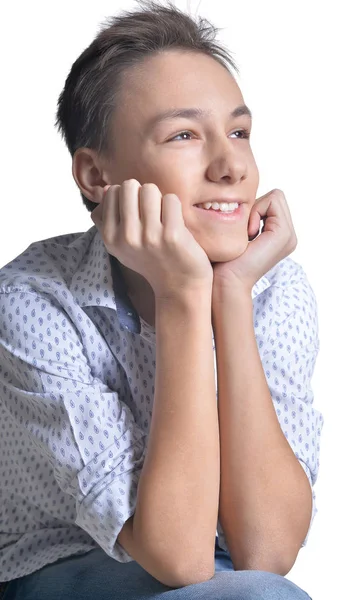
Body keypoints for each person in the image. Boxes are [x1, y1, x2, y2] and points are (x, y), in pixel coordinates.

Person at [0, 1, 323, 598]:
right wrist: (182, 297)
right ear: (96, 177)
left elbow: (268, 550)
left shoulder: (272, 287)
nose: (231, 166)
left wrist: (228, 294)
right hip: (60, 573)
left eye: (239, 132)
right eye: (183, 135)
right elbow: (180, 558)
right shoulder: (32, 301)